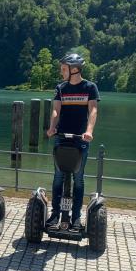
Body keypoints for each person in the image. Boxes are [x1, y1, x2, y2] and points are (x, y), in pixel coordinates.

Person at [45, 53, 100, 230]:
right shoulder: (61, 88)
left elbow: (93, 111)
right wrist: (52, 127)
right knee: (58, 176)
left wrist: (89, 131)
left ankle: (76, 218)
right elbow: (56, 110)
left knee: (78, 178)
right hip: (61, 137)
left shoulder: (90, 87)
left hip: (80, 139)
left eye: (63, 69)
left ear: (73, 69)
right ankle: (54, 215)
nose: (61, 72)